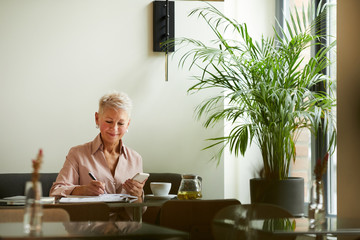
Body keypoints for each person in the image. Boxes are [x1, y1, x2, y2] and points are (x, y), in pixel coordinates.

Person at [50, 91, 146, 220]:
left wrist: (139, 195)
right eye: (109, 121)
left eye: (121, 123)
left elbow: (140, 211)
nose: (114, 128)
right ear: (97, 118)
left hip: (126, 233)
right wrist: (82, 190)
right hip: (89, 231)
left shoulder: (135, 159)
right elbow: (55, 192)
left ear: (128, 123)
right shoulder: (77, 154)